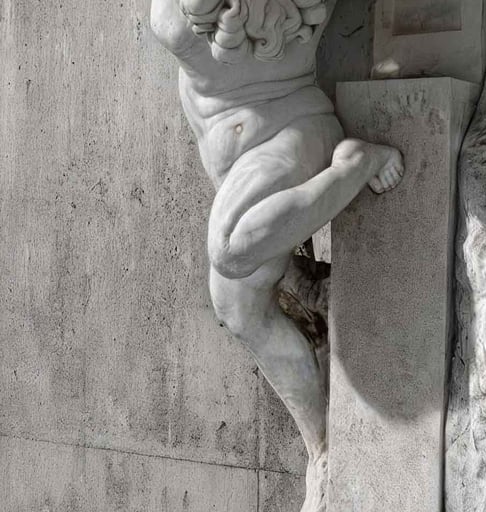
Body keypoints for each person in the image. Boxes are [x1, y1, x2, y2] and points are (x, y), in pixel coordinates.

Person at [150, 1, 404, 509]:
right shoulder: (179, 16)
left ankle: (356, 164)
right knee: (237, 308)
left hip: (298, 133)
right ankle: (323, 448)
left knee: (230, 247)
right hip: (241, 172)